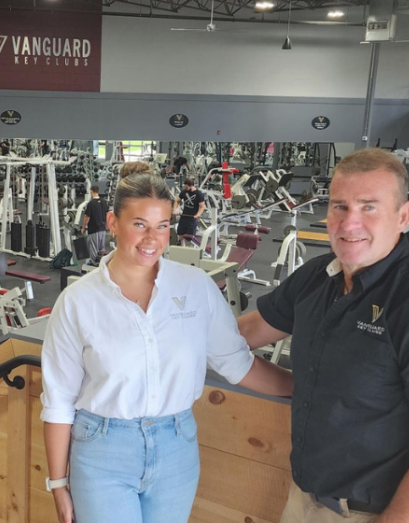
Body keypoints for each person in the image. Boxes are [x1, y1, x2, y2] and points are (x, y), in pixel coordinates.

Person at [237, 148, 409, 523]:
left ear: (402, 216)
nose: (348, 223)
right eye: (339, 206)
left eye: (368, 207)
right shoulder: (315, 278)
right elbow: (245, 333)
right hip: (305, 501)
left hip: (380, 514)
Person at [41, 161, 293, 523]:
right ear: (112, 223)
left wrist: (304, 387)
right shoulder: (78, 301)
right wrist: (59, 483)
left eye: (162, 226)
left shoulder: (196, 287)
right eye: (139, 224)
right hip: (102, 449)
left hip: (177, 444)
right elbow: (59, 402)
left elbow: (237, 364)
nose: (152, 239)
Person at [80, 185, 108, 265]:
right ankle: (101, 266)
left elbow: (86, 217)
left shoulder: (91, 203)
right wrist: (107, 225)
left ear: (92, 192)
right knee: (101, 250)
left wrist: (83, 227)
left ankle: (93, 267)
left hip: (94, 230)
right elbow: (107, 214)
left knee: (93, 250)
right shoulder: (103, 201)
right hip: (102, 230)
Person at [174, 178, 205, 244]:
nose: (185, 188)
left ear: (191, 186)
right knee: (180, 234)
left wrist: (198, 215)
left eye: (187, 187)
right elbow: (177, 201)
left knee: (189, 238)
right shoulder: (184, 192)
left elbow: (202, 207)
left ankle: (189, 250)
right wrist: (175, 210)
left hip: (192, 218)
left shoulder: (199, 194)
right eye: (184, 187)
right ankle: (181, 248)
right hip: (184, 216)